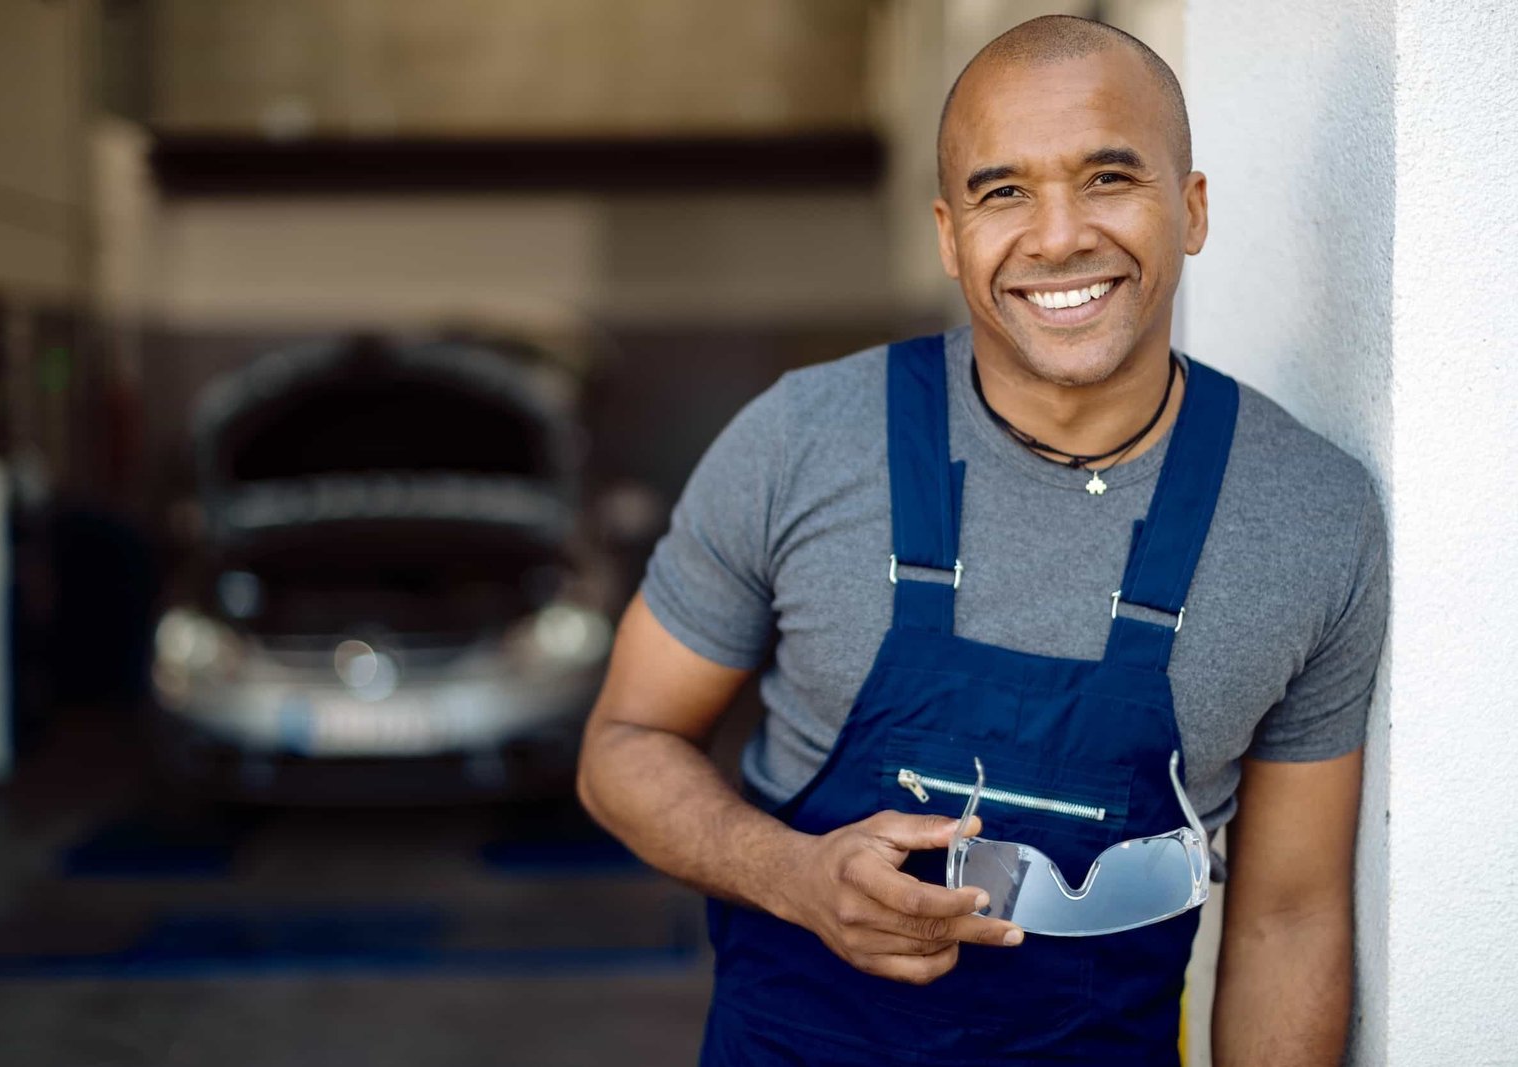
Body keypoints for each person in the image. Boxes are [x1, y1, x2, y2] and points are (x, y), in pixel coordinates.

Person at [577, 14, 1386, 1066]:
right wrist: (793, 874)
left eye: (1108, 177)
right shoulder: (801, 441)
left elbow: (1288, 916)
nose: (1058, 236)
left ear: (1188, 210)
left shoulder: (1310, 518)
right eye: (1005, 191)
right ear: (949, 234)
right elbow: (622, 748)